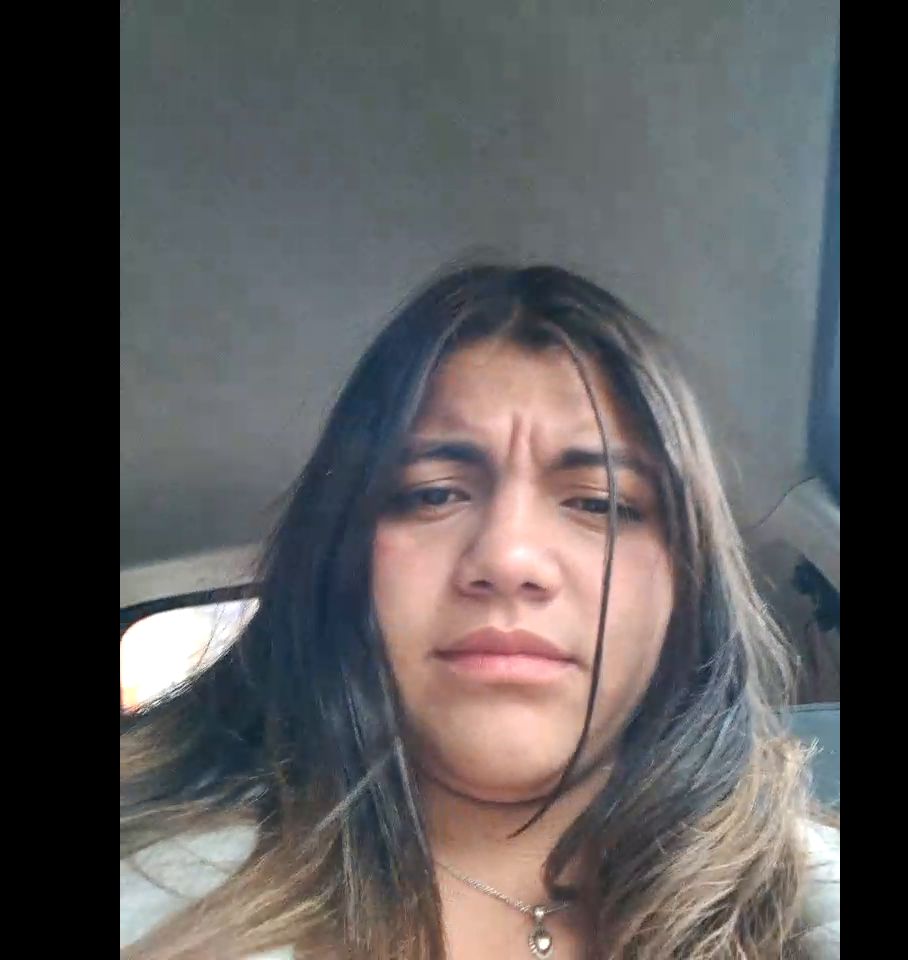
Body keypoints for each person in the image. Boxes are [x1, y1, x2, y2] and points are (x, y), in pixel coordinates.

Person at [120, 264, 839, 959]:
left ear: (688, 588)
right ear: (340, 560)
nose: (508, 557)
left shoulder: (813, 908)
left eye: (601, 504)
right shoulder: (154, 911)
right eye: (432, 494)